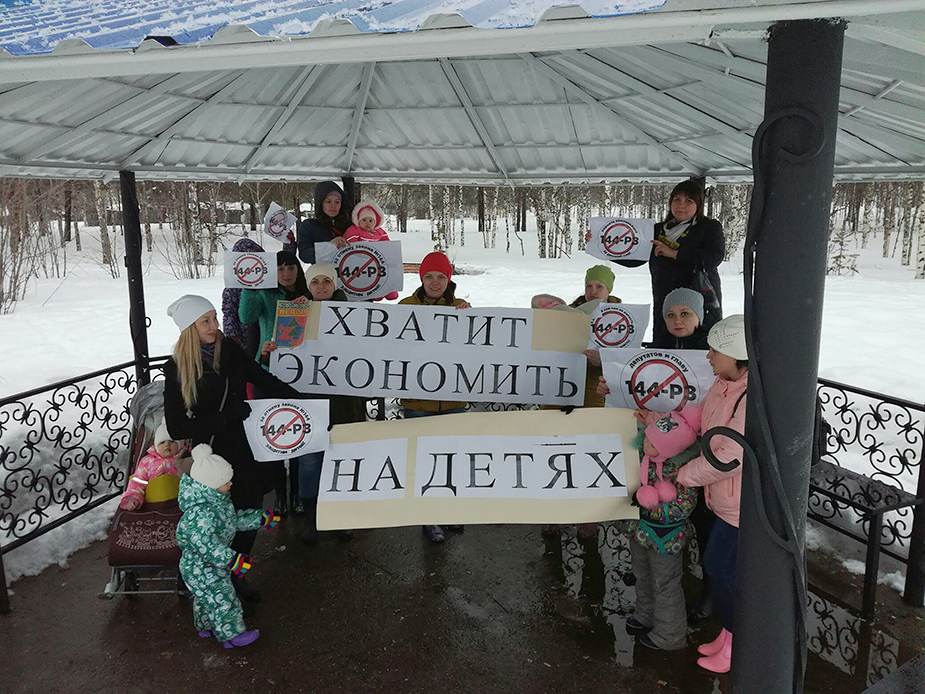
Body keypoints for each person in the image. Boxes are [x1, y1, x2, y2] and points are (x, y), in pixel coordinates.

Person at [163, 294, 300, 603]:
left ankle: (235, 577)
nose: (214, 325)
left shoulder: (230, 350)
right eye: (205, 321)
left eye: (214, 317)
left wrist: (303, 400)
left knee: (248, 511)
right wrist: (226, 417)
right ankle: (204, 579)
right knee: (214, 521)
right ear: (189, 328)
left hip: (244, 446)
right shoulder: (176, 367)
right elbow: (177, 427)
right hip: (210, 456)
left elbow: (263, 378)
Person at [176, 443, 280, 649]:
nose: (231, 483)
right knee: (223, 598)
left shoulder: (217, 502)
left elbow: (232, 521)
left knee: (205, 598)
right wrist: (232, 559)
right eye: (225, 481)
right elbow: (205, 544)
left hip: (208, 565)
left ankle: (206, 627)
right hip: (200, 567)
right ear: (212, 484)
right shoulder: (201, 513)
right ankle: (232, 635)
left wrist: (260, 519)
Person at [399, 252, 470, 543]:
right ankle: (428, 517)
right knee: (423, 460)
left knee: (450, 458)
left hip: (452, 401)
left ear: (449, 279)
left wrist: (470, 319)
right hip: (418, 402)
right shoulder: (405, 307)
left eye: (441, 276)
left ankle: (447, 510)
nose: (435, 282)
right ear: (421, 278)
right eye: (429, 276)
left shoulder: (459, 307)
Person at [238, 251, 310, 516]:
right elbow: (246, 317)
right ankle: (280, 493)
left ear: (298, 269)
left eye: (291, 267)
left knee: (301, 433)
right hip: (268, 371)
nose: (286, 273)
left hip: (303, 374)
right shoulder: (265, 295)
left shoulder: (310, 295)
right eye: (280, 269)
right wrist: (250, 286)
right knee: (274, 434)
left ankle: (298, 492)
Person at [298, 262, 365, 544]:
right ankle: (311, 519)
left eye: (326, 281)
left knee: (342, 461)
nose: (321, 286)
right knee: (309, 463)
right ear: (308, 286)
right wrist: (270, 353)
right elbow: (286, 356)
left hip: (343, 403)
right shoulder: (295, 312)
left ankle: (341, 518)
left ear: (335, 284)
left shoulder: (355, 313)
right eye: (315, 282)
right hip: (309, 404)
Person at [624, 407, 701, 651]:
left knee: (665, 584)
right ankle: (645, 613)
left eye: (653, 443)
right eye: (647, 438)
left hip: (667, 538)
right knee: (642, 575)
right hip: (641, 531)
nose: (645, 443)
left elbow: (684, 507)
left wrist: (651, 506)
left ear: (669, 450)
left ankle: (670, 634)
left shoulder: (682, 474)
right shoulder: (641, 460)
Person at [620, 180, 724, 346]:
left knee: (701, 350)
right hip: (665, 302)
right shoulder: (657, 230)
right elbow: (635, 257)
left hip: (699, 303)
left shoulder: (708, 227)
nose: (681, 205)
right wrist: (603, 246)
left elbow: (714, 257)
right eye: (677, 199)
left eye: (689, 201)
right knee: (665, 350)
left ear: (698, 204)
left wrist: (675, 254)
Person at [119, 418, 183, 511]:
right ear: (156, 446)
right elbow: (139, 481)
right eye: (162, 442)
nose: (167, 445)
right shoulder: (147, 461)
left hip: (177, 500)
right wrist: (133, 498)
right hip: (153, 500)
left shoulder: (184, 459)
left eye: (172, 441)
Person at [342, 201, 400, 301]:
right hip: (360, 260)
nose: (367, 223)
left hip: (377, 260)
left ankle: (389, 289)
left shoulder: (380, 232)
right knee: (368, 277)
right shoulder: (355, 230)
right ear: (358, 221)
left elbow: (387, 245)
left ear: (375, 222)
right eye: (364, 220)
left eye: (370, 221)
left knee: (385, 271)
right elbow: (350, 242)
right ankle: (376, 293)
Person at [221, 237, 266, 360]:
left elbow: (284, 268)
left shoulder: (267, 282)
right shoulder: (232, 287)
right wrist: (231, 336)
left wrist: (289, 245)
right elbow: (229, 313)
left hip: (266, 331)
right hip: (244, 335)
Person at [297, 181, 352, 264]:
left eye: (337, 202)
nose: (333, 206)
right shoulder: (308, 225)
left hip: (349, 270)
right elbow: (305, 255)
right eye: (328, 201)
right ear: (320, 203)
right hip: (322, 271)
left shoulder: (350, 224)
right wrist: (329, 246)